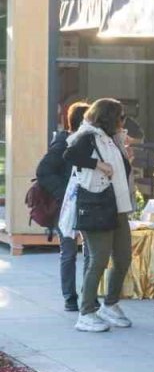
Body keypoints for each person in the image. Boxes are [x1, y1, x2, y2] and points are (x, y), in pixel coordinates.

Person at [63, 99, 135, 333]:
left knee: (123, 257)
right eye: (120, 117)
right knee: (99, 259)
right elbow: (70, 155)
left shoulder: (109, 139)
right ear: (108, 117)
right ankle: (86, 312)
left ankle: (110, 304)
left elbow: (122, 170)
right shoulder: (88, 135)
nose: (123, 122)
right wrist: (98, 164)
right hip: (97, 205)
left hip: (117, 206)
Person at [37, 101, 89, 312]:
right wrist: (64, 194)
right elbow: (43, 171)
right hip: (66, 205)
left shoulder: (86, 142)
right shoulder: (64, 143)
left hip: (86, 204)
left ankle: (88, 297)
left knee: (88, 252)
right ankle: (70, 297)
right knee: (68, 252)